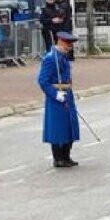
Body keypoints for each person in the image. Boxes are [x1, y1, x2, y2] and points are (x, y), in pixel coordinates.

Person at [37, 31, 80, 168]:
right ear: (60, 43)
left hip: (67, 94)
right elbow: (43, 81)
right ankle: (58, 157)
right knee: (57, 128)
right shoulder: (50, 58)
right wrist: (55, 94)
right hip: (56, 97)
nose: (70, 48)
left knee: (69, 125)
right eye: (68, 45)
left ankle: (66, 155)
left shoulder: (63, 57)